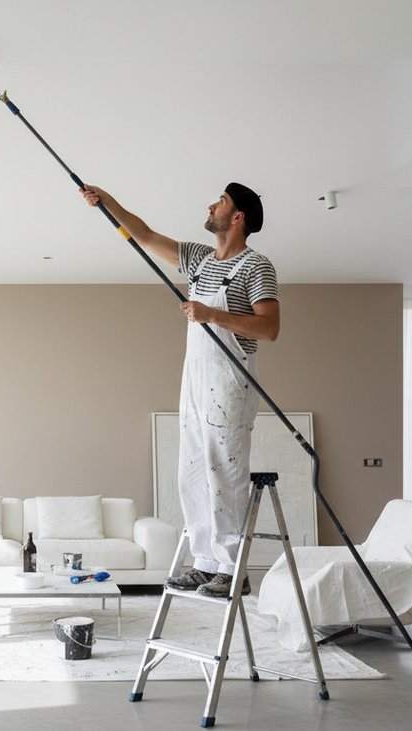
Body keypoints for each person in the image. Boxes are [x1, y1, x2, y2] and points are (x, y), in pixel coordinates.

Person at [81, 182, 279, 598]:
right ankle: (205, 563)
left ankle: (233, 570)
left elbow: (269, 328)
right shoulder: (199, 259)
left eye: (221, 202)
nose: (211, 205)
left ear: (238, 217)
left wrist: (212, 314)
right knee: (191, 474)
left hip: (229, 382)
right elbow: (144, 235)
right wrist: (107, 202)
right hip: (195, 381)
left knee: (225, 474)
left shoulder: (256, 266)